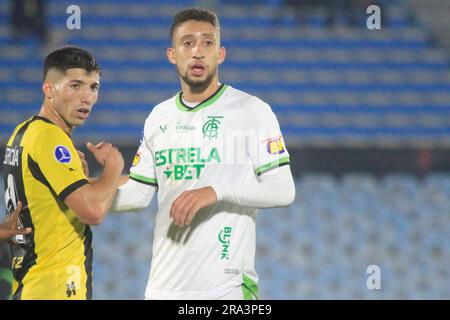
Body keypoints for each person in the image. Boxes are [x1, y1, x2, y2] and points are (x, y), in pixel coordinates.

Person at [111, 7, 296, 300]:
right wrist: (87, 191)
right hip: (163, 289)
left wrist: (216, 191)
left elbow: (283, 190)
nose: (198, 51)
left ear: (220, 54)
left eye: (207, 43)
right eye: (187, 43)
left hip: (228, 290)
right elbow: (138, 193)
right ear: (172, 54)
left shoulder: (252, 111)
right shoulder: (159, 117)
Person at [2, 46, 124, 300]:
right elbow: (93, 210)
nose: (86, 97)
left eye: (93, 87)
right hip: (56, 287)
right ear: (49, 89)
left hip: (31, 285)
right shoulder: (50, 138)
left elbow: (58, 196)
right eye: (75, 85)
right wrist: (114, 166)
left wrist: (151, 181)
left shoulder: (22, 133)